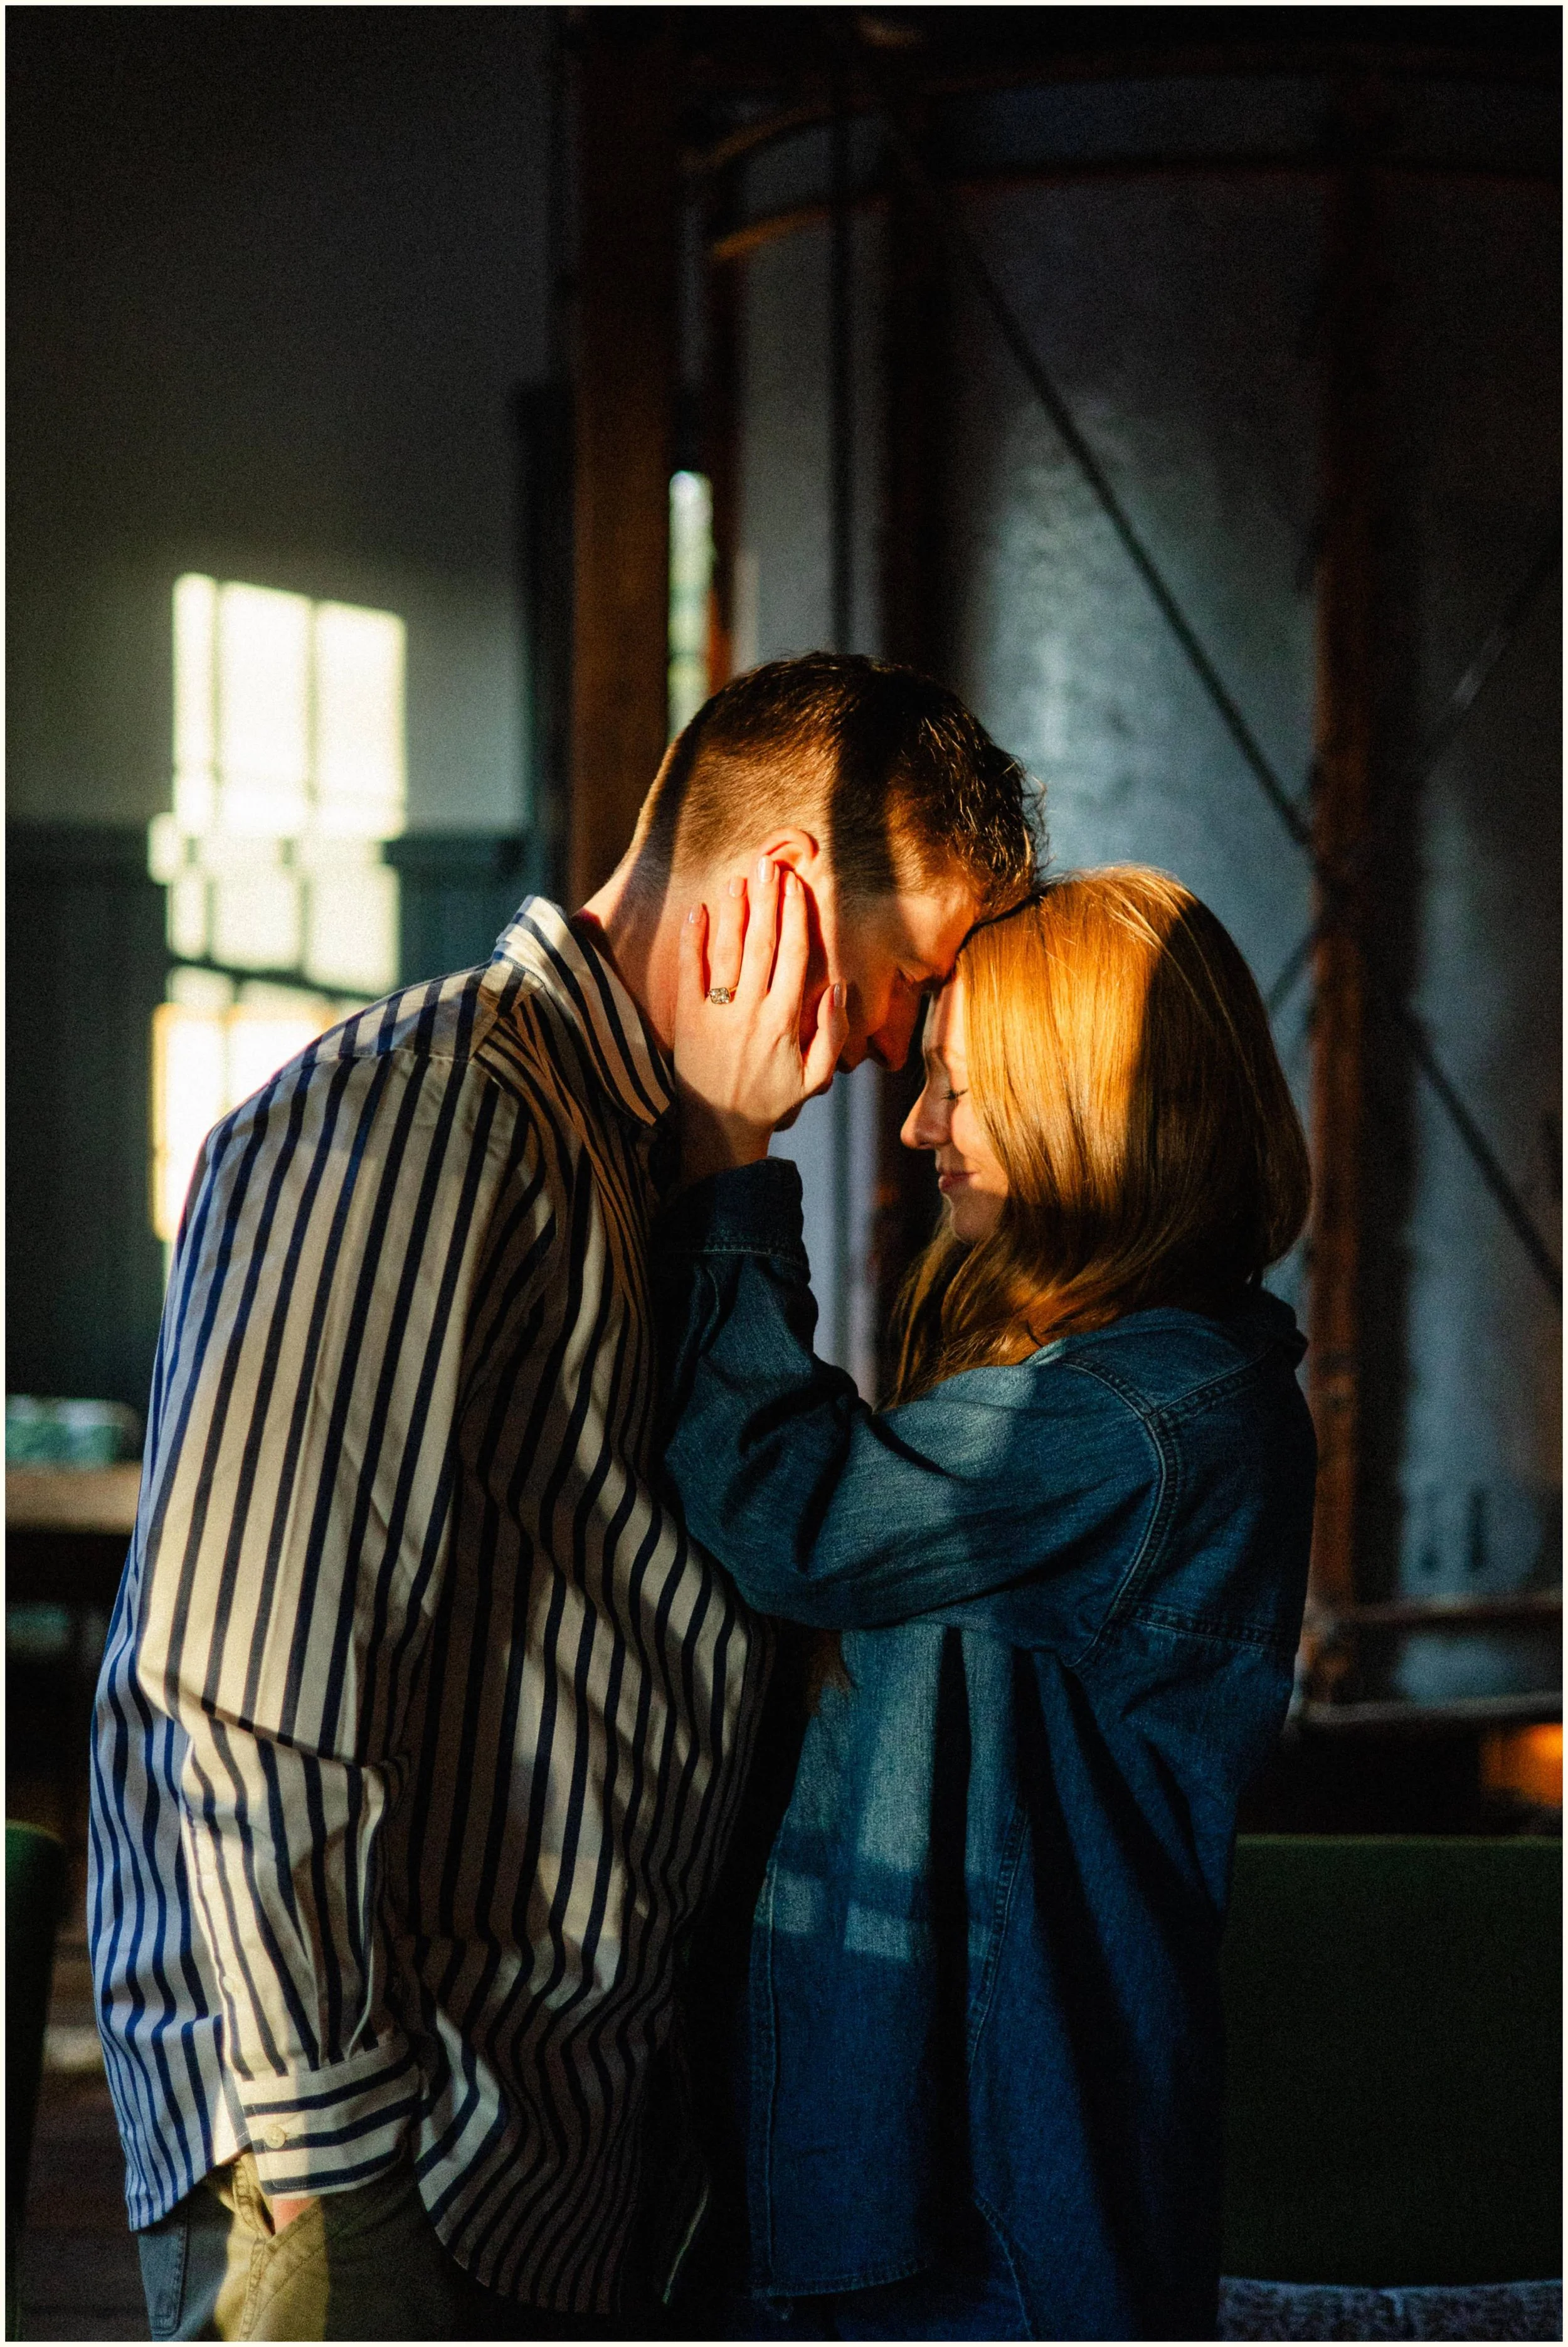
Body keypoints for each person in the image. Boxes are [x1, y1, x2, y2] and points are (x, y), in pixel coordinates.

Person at [88, 653, 1036, 2341]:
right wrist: (334, 2182)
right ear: (786, 894)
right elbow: (245, 1676)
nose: (906, 1051)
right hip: (381, 2157)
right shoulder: (436, 1114)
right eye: (908, 979)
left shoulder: (664, 1155)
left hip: (547, 2160)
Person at [652, 862, 1316, 2341]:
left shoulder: (1143, 1417)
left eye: (956, 1082)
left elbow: (798, 1511)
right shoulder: (1142, 1380)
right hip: (958, 2190)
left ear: (1089, 1096)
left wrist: (727, 1147)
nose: (914, 1123)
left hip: (994, 2210)